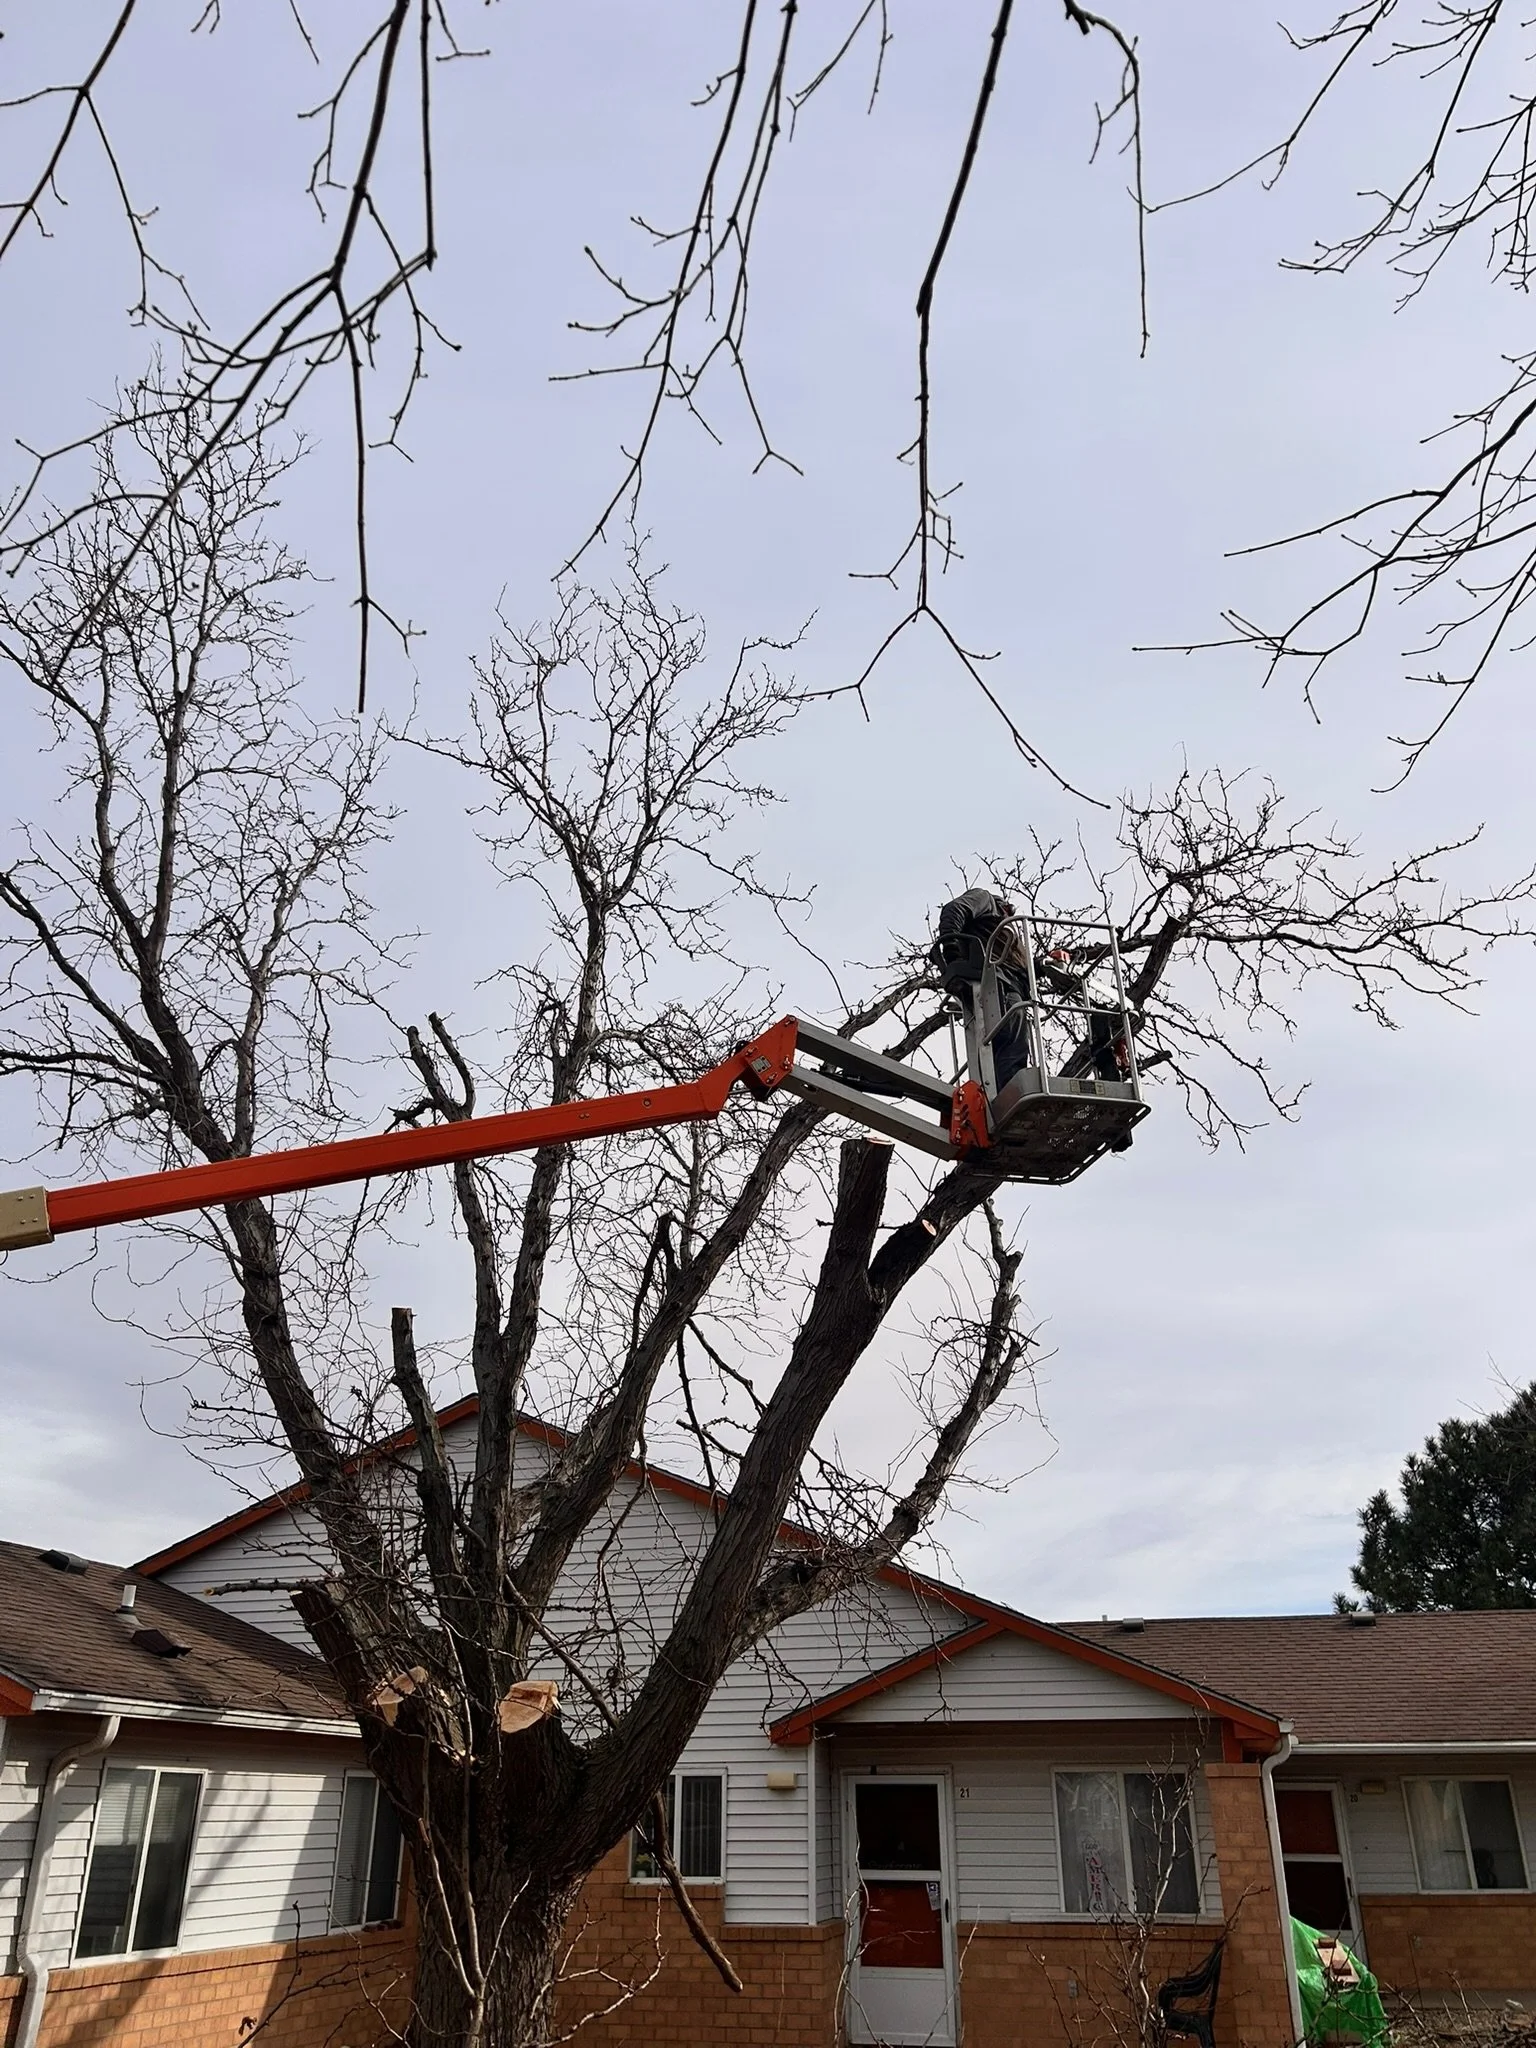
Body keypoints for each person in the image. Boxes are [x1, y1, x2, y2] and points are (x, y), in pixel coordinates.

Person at [929, 887, 1032, 1091]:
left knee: (1003, 1045)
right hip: (997, 983)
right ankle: (1011, 1093)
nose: (1010, 914)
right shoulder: (986, 900)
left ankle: (997, 1094)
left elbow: (1021, 965)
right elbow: (954, 909)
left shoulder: (1008, 938)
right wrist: (951, 950)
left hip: (1009, 984)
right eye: (1009, 910)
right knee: (1011, 1040)